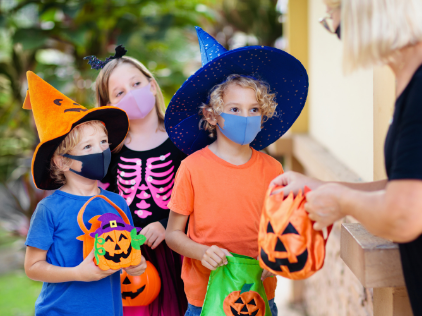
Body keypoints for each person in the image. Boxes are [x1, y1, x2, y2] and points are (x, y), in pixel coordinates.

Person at [270, 0, 422, 314]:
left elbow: (405, 215)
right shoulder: (407, 79)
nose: (332, 25)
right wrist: (318, 185)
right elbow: (404, 185)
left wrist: (341, 201)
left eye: (332, 13)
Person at [165, 27, 309, 316]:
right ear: (211, 114)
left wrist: (276, 257)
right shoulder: (191, 168)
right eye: (234, 108)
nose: (245, 117)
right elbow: (173, 235)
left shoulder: (272, 168)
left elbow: (283, 228)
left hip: (258, 296)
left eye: (254, 110)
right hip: (204, 298)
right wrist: (202, 253)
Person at [23, 71, 146, 316]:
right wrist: (77, 273)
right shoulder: (49, 209)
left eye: (103, 143)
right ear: (62, 162)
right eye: (88, 147)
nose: (100, 151)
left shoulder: (118, 203)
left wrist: (136, 264)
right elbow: (33, 267)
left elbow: (127, 251)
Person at [87, 46, 188, 316]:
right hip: (129, 258)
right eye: (119, 92)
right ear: (109, 105)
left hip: (179, 253)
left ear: (152, 86)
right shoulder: (109, 152)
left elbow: (201, 198)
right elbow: (100, 204)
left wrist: (168, 225)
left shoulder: (183, 141)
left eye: (136, 84)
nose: (131, 94)